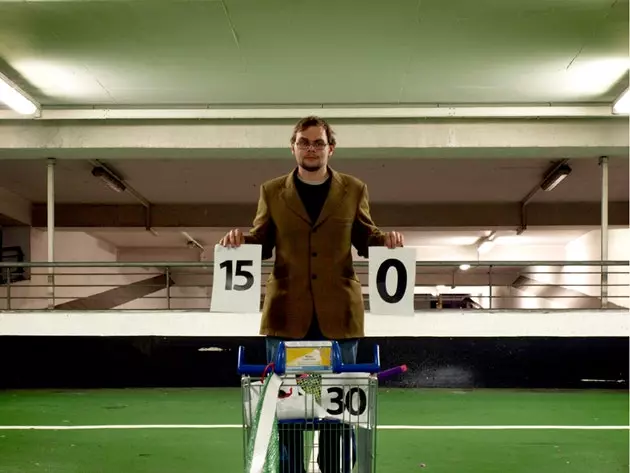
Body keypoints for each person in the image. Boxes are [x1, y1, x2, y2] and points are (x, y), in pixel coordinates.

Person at [220, 115, 403, 473]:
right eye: (304, 142)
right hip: (287, 315)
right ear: (293, 147)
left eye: (318, 142)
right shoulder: (272, 191)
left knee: (337, 414)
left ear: (330, 149)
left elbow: (367, 238)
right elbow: (263, 240)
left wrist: (388, 241)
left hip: (340, 318)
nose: (311, 148)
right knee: (287, 411)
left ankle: (335, 468)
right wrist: (240, 240)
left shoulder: (354, 189)